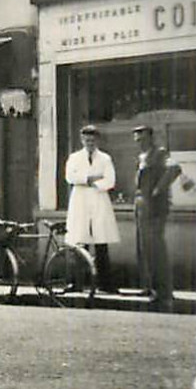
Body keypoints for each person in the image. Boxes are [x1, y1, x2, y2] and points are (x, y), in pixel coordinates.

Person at [63, 124, 119, 292]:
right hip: (80, 200)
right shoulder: (74, 157)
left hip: (98, 199)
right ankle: (76, 283)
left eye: (93, 140)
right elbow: (69, 177)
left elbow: (110, 181)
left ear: (98, 140)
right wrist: (91, 178)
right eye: (87, 140)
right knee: (79, 242)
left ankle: (105, 284)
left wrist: (93, 183)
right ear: (82, 140)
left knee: (101, 243)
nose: (90, 143)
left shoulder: (105, 158)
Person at [132, 125, 181, 311]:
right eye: (137, 139)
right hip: (142, 208)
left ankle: (164, 292)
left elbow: (175, 168)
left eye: (143, 139)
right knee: (144, 249)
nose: (139, 142)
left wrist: (157, 190)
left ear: (151, 138)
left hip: (155, 209)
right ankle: (149, 287)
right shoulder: (141, 158)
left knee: (156, 249)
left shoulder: (160, 154)